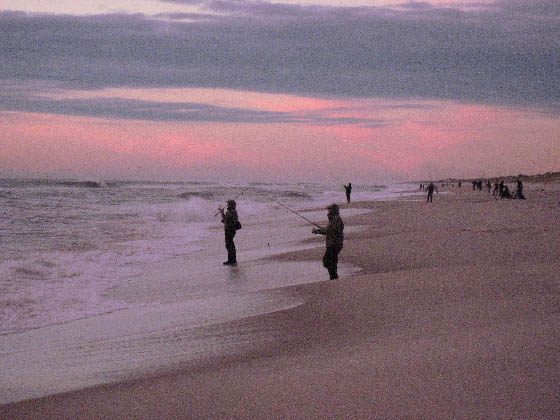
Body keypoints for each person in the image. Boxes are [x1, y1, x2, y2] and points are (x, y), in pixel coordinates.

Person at [312, 203, 344, 280]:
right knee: (330, 261)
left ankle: (334, 278)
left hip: (334, 244)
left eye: (329, 210)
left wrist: (317, 231)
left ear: (333, 211)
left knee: (327, 261)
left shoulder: (336, 220)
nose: (328, 212)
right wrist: (320, 230)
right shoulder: (333, 219)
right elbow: (329, 230)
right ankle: (334, 277)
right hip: (333, 244)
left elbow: (329, 231)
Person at [219, 199, 241, 265]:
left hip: (229, 229)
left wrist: (222, 213)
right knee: (229, 244)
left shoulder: (231, 212)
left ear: (231, 205)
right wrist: (222, 213)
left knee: (229, 245)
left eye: (228, 204)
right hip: (230, 229)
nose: (227, 205)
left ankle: (232, 260)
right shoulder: (232, 211)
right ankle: (231, 260)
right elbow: (226, 220)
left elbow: (226, 220)